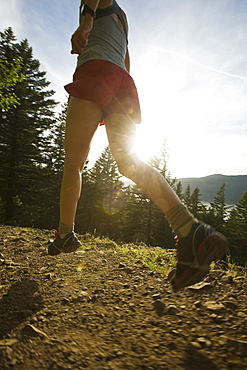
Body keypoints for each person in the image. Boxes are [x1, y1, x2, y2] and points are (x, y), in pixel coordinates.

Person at [48, 0, 229, 291]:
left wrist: (85, 23)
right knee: (129, 163)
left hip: (94, 72)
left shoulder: (98, 4)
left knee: (74, 165)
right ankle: (190, 229)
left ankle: (65, 234)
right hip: (121, 82)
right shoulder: (123, 15)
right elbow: (126, 58)